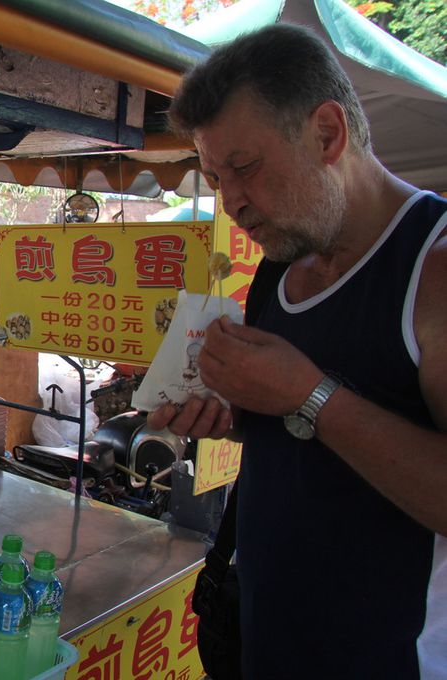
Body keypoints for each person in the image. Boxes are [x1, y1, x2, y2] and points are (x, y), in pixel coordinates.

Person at [150, 25, 447, 678]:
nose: (232, 201)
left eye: (246, 168)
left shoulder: (433, 268)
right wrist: (228, 409)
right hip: (267, 639)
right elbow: (296, 435)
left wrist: (308, 394)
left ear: (327, 134)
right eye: (215, 176)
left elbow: (311, 402)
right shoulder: (280, 269)